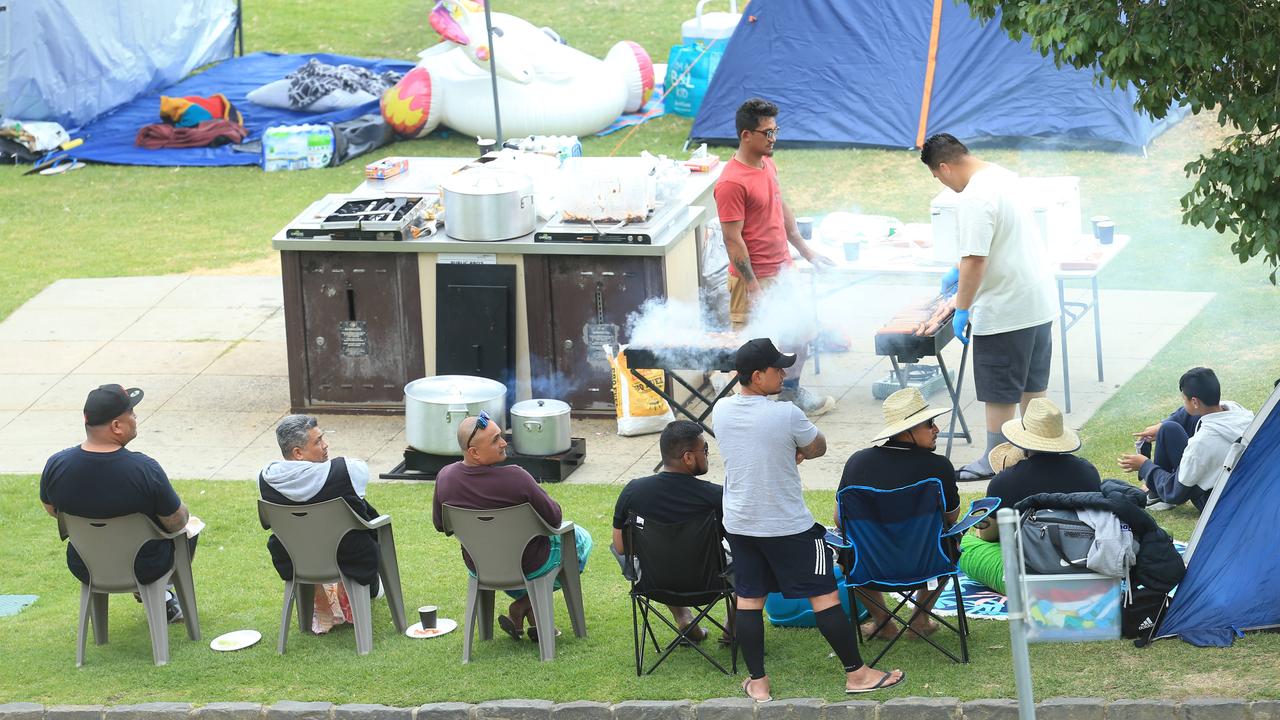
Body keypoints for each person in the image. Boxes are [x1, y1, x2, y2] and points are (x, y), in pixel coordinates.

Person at [713, 337, 905, 700]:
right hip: (788, 526)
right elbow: (818, 447)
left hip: (739, 523)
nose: (784, 373)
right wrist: (795, 449)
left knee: (749, 600)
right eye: (777, 368)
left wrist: (785, 449)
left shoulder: (721, 410)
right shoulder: (786, 414)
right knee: (824, 596)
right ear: (757, 376)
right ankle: (857, 675)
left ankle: (759, 682)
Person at [921, 133, 1058, 481]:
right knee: (1032, 385)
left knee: (999, 389)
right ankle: (1035, 452)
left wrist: (962, 307)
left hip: (1005, 309)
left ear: (945, 167)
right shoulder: (1002, 177)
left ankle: (995, 459)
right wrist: (959, 267)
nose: (943, 185)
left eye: (938, 178)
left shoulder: (974, 197)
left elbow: (975, 260)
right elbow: (997, 241)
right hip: (1038, 301)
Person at [714, 97, 836, 417]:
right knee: (756, 348)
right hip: (754, 277)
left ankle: (791, 393)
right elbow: (732, 238)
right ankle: (753, 409)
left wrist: (805, 251)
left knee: (800, 335)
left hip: (784, 269)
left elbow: (779, 206)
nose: (773, 138)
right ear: (746, 135)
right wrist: (753, 286)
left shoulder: (767, 163)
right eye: (767, 132)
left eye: (775, 130)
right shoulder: (730, 182)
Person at [39, 384, 197, 623]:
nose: (136, 418)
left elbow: (52, 510)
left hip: (85, 564)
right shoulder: (144, 469)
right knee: (190, 529)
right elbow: (176, 522)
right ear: (116, 426)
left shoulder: (56, 464)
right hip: (144, 566)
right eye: (132, 413)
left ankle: (163, 599)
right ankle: (162, 596)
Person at [432, 411, 592, 644]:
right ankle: (523, 606)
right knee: (580, 539)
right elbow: (555, 518)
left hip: (481, 565)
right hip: (530, 564)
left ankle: (532, 615)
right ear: (474, 452)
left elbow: (440, 525)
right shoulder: (517, 478)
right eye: (496, 439)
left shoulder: (445, 477)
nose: (504, 442)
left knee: (541, 548)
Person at [837, 388, 958, 640]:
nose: (936, 429)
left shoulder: (857, 462)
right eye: (930, 424)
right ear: (907, 430)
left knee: (848, 551)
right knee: (950, 539)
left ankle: (883, 622)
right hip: (927, 561)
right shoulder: (938, 467)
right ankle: (920, 620)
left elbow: (840, 521)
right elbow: (951, 517)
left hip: (869, 566)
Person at [958, 398, 1101, 593]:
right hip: (1084, 563)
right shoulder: (1087, 471)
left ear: (1023, 442)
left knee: (968, 543)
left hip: (1031, 577)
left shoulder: (1005, 481)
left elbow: (990, 536)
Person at [259, 414, 382, 631]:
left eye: (322, 438)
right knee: (367, 514)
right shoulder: (347, 470)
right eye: (317, 442)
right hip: (349, 557)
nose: (325, 445)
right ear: (298, 453)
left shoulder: (267, 479)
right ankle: (369, 588)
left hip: (295, 559)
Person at [612, 419, 727, 643]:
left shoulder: (633, 491)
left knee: (659, 553)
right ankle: (732, 627)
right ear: (688, 457)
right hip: (711, 583)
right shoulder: (715, 496)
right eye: (705, 449)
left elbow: (620, 547)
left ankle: (682, 616)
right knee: (754, 553)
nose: (707, 455)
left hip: (654, 584)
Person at [1117, 367, 1254, 511]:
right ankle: (1156, 492)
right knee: (1169, 428)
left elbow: (1176, 492)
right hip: (1240, 486)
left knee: (1171, 484)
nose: (1184, 403)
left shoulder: (1202, 442)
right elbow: (1187, 413)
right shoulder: (1236, 409)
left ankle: (1158, 493)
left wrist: (1144, 466)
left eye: (1184, 399)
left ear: (1194, 401)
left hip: (1215, 500)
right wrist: (1161, 425)